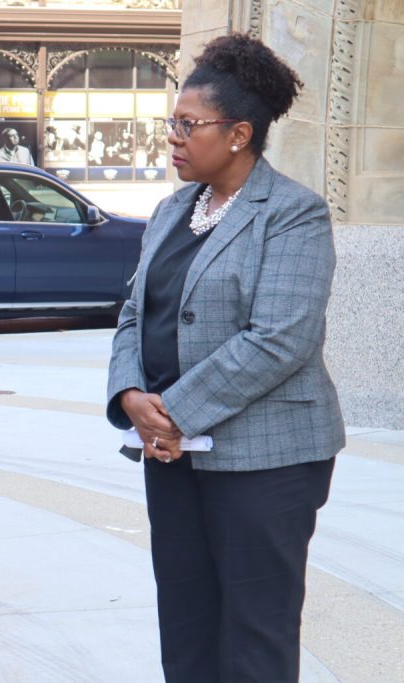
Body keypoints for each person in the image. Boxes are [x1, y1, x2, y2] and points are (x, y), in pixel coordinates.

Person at [105, 33, 344, 683]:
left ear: (239, 134)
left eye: (189, 125)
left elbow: (279, 338)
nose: (173, 137)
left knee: (254, 637)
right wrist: (131, 396)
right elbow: (133, 312)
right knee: (185, 625)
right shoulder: (169, 210)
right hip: (171, 456)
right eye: (172, 123)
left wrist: (170, 412)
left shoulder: (293, 214)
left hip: (266, 460)